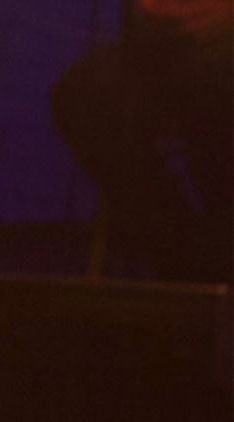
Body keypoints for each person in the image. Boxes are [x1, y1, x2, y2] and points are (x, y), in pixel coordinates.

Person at [51, 0, 232, 282]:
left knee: (212, 100)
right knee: (81, 99)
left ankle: (214, 264)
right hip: (161, 51)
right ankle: (183, 265)